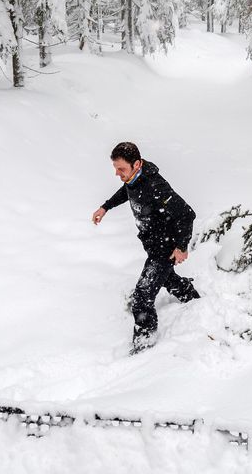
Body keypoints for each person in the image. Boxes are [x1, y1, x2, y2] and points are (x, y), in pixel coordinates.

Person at [92, 142, 200, 354]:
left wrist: (181, 246)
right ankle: (193, 300)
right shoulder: (134, 178)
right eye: (115, 168)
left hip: (165, 248)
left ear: (137, 164)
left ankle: (144, 346)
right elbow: (127, 191)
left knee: (141, 299)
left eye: (121, 169)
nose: (117, 173)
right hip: (153, 244)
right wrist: (106, 206)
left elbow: (187, 214)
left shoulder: (155, 186)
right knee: (167, 277)